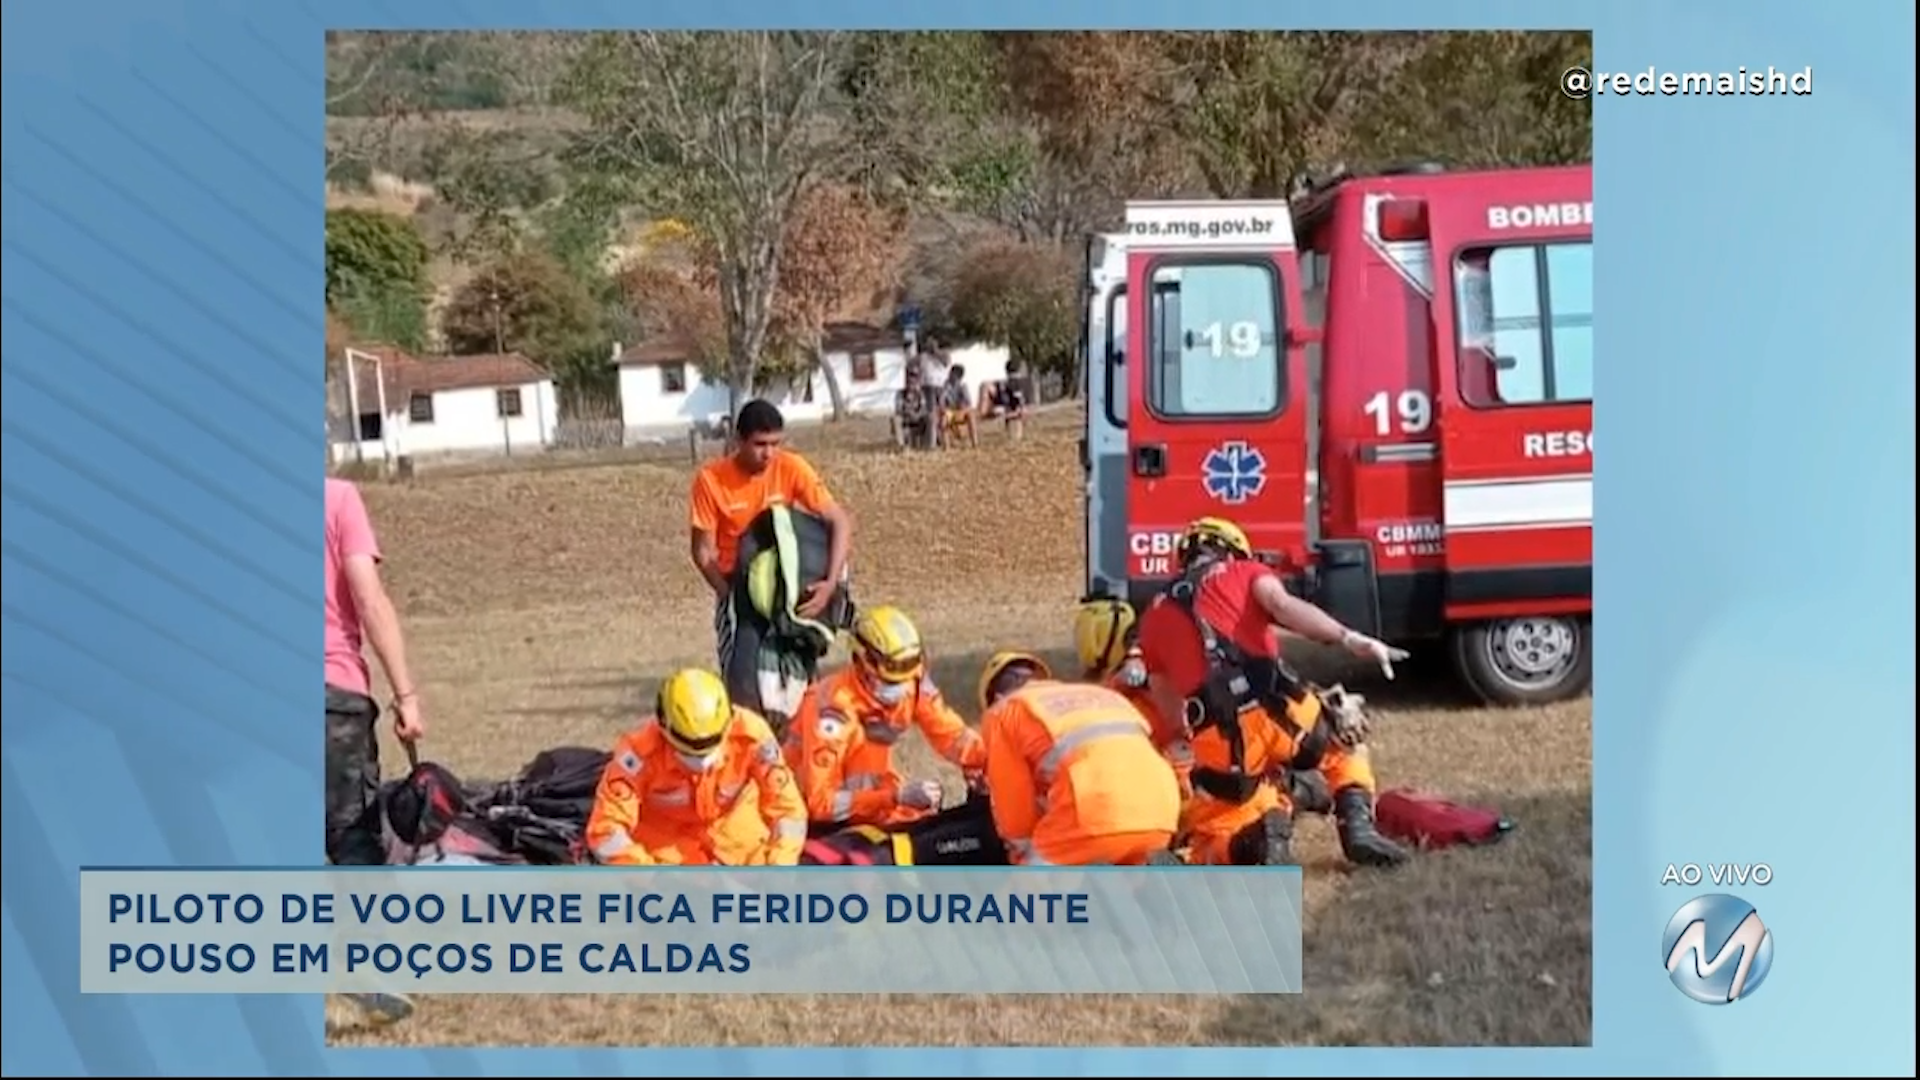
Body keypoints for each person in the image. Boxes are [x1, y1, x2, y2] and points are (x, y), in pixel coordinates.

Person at [1132, 517, 1410, 868]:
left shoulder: (1153, 617)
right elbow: (1284, 607)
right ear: (1234, 551)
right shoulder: (1244, 572)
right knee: (1344, 742)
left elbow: (1168, 702)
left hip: (1221, 736)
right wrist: (1348, 637)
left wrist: (1180, 742)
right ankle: (1358, 829)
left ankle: (1256, 843)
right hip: (1284, 707)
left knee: (1216, 831)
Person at [323, 477, 426, 1024]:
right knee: (351, 836)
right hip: (331, 695)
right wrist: (405, 695)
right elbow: (367, 597)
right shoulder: (337, 499)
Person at [785, 605, 985, 830]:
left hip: (879, 808)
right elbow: (821, 803)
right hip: (824, 822)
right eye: (890, 681)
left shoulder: (913, 683)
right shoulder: (832, 710)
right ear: (861, 662)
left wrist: (990, 762)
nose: (901, 688)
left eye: (907, 678)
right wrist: (895, 797)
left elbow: (951, 734)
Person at [975, 651, 1184, 867]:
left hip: (1091, 820)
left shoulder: (1003, 711)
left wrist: (1021, 856)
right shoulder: (1102, 694)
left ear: (996, 698)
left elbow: (1015, 811)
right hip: (1161, 814)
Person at [584, 668, 808, 866]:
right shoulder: (638, 756)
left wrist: (781, 864)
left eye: (711, 745)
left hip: (740, 843)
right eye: (689, 749)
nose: (701, 759)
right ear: (664, 726)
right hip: (666, 854)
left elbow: (787, 809)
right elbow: (605, 830)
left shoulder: (752, 736)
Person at [690, 399, 852, 667]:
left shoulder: (791, 467)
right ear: (738, 440)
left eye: (775, 444)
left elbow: (839, 521)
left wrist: (830, 584)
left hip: (786, 584)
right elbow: (702, 552)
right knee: (741, 679)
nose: (769, 454)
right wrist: (728, 594)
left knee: (798, 671)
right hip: (737, 584)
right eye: (760, 444)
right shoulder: (710, 480)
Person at [892, 365, 935, 450]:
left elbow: (923, 408)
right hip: (906, 417)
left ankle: (929, 446)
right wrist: (908, 413)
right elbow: (898, 408)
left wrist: (917, 414)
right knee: (896, 419)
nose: (912, 382)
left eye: (914, 379)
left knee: (931, 417)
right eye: (910, 379)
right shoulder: (900, 394)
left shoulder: (921, 394)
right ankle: (901, 446)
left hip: (918, 417)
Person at [938, 364, 978, 449]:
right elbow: (942, 400)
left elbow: (968, 403)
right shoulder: (946, 385)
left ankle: (975, 443)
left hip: (961, 411)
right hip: (950, 411)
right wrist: (944, 409)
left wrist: (961, 409)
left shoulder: (963, 386)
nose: (950, 375)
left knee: (971, 415)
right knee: (944, 420)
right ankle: (946, 447)